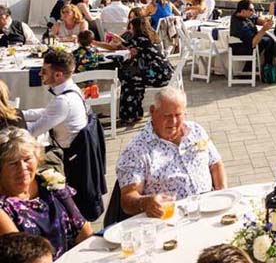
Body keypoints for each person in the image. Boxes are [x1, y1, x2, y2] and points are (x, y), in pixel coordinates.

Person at [117, 88, 226, 216]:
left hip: (208, 208)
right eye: (167, 116)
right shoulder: (137, 149)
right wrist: (145, 203)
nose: (173, 122)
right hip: (170, 218)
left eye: (178, 115)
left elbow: (216, 164)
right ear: (153, 111)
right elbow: (128, 198)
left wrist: (222, 194)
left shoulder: (196, 130)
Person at [0, 129, 92, 259]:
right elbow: (21, 258)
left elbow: (83, 231)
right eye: (13, 163)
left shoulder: (50, 183)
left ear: (37, 158)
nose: (22, 168)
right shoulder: (3, 208)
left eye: (27, 159)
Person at [22, 50, 87, 148]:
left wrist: (7, 124)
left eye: (44, 71)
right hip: (71, 147)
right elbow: (48, 113)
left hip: (64, 155)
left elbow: (32, 131)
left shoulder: (63, 101)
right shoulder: (73, 89)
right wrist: (18, 115)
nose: (40, 74)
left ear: (58, 75)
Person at [118, 15, 173, 124]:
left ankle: (129, 116)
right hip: (164, 72)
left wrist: (117, 38)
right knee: (135, 80)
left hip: (157, 74)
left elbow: (123, 45)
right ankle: (135, 113)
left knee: (128, 82)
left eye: (132, 28)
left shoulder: (138, 39)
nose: (130, 30)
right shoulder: (151, 36)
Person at [230, 0, 275, 70]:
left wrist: (264, 21)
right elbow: (253, 43)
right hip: (241, 48)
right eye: (251, 10)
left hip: (246, 43)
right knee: (269, 40)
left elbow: (255, 19)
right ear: (243, 11)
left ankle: (252, 68)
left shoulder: (242, 15)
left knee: (269, 39)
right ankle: (266, 67)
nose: (253, 12)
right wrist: (263, 29)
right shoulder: (240, 25)